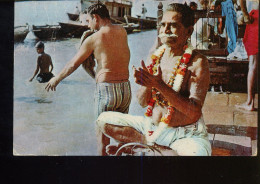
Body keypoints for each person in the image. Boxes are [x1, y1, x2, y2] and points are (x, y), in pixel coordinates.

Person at [96, 3, 211, 156]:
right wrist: (147, 84)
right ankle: (151, 146)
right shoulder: (156, 56)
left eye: (173, 25)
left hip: (185, 133)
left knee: (198, 155)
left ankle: (152, 149)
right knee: (103, 120)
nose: (165, 30)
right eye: (163, 25)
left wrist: (159, 84)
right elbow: (143, 102)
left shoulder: (198, 62)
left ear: (188, 31)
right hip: (151, 128)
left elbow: (194, 112)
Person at [45, 3, 132, 117]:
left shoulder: (93, 39)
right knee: (121, 131)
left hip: (108, 90)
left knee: (102, 131)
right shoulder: (122, 31)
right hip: (125, 90)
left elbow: (72, 64)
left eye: (88, 20)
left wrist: (56, 79)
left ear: (95, 17)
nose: (88, 25)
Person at [236, 0, 258, 111]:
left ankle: (250, 102)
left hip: (256, 19)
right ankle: (250, 101)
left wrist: (245, 15)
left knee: (253, 63)